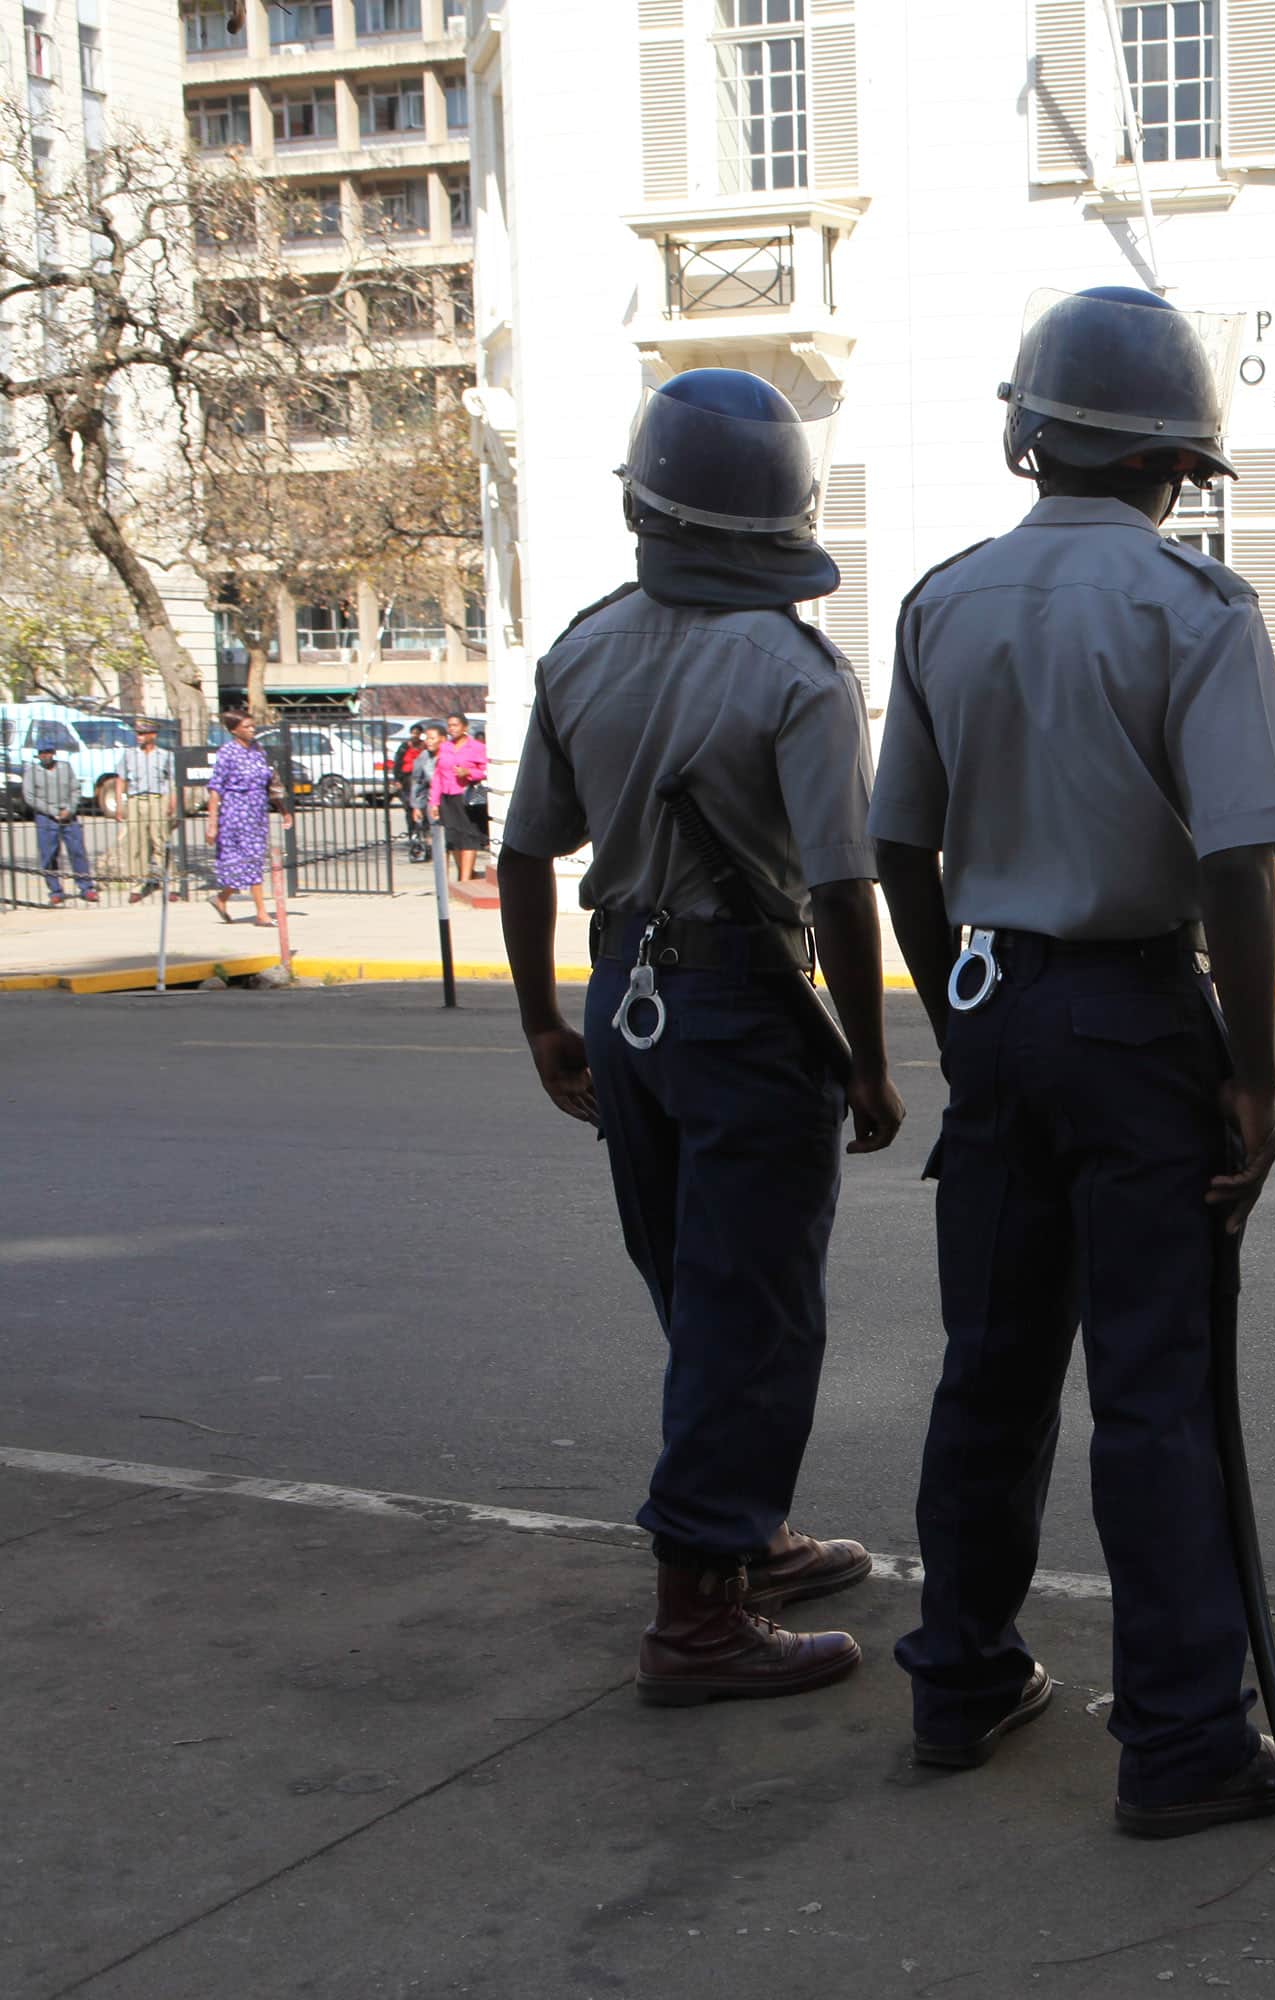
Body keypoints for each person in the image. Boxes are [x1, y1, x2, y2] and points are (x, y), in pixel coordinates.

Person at [874, 284, 1275, 1837]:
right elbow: (1238, 864)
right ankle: (1186, 1740)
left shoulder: (943, 600)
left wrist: (961, 1014)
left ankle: (959, 1677)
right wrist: (1256, 1077)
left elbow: (899, 841)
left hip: (1000, 1015)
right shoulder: (1194, 609)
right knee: (1156, 1393)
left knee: (990, 1368)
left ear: (1032, 437)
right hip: (1139, 1023)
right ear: (1175, 465)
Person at [495, 365, 905, 1709]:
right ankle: (697, 1618)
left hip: (626, 1005)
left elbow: (525, 853)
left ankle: (745, 1539)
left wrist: (548, 1021)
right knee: (760, 1304)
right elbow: (844, 886)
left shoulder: (583, 646)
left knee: (694, 1285)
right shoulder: (796, 672)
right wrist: (869, 1053)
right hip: (740, 1008)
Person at [206, 710, 282, 926]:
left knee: (250, 862)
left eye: (252, 725)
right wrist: (212, 824)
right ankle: (261, 913)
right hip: (235, 814)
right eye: (246, 726)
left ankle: (221, 898)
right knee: (250, 861)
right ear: (234, 730)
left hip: (257, 814)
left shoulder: (258, 750)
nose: (252, 729)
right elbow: (215, 789)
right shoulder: (227, 753)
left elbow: (269, 782)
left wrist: (282, 809)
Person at [114, 718, 178, 902]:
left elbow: (172, 780)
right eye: (137, 733)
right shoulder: (129, 754)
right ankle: (137, 885)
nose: (139, 737)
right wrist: (120, 804)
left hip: (158, 799)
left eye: (143, 733)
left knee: (161, 841)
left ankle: (170, 883)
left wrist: (172, 800)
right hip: (136, 799)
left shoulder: (165, 755)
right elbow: (121, 779)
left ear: (153, 735)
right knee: (137, 843)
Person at [26, 742, 95, 906]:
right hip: (46, 818)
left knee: (77, 852)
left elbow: (75, 789)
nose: (45, 755)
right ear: (38, 755)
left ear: (54, 753)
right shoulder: (32, 772)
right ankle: (55, 891)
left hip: (68, 816)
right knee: (48, 855)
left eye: (48, 752)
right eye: (42, 753)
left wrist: (69, 809)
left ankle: (86, 888)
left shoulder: (65, 767)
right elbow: (30, 797)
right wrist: (53, 812)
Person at [434, 712, 489, 884]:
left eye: (455, 725)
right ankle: (465, 873)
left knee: (468, 838)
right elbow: (437, 775)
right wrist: (434, 802)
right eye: (449, 725)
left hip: (467, 797)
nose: (452, 729)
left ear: (465, 727)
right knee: (452, 839)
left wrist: (469, 773)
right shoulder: (445, 747)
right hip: (447, 796)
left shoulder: (477, 747)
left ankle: (465, 880)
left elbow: (487, 770)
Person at [398, 724, 439, 857]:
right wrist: (416, 805)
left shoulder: (450, 754)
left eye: (432, 738)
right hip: (426, 795)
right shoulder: (423, 756)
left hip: (450, 799)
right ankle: (428, 848)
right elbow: (418, 781)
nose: (429, 741)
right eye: (428, 738)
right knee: (427, 825)